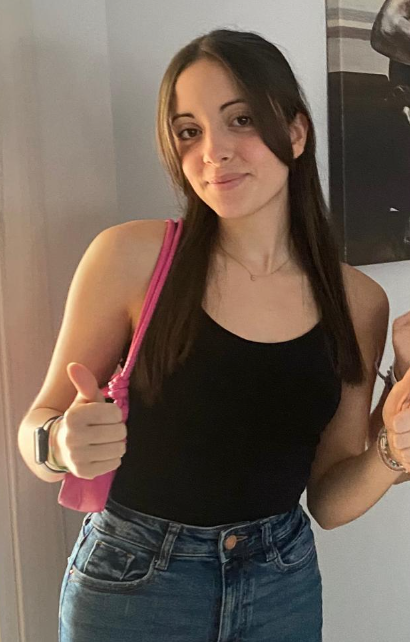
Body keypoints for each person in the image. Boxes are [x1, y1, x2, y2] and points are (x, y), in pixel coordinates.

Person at [17, 28, 410, 642]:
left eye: (241, 120)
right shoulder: (130, 257)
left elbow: (330, 501)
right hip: (134, 585)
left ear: (296, 132)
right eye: (189, 131)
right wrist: (60, 444)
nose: (213, 151)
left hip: (280, 585)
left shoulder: (358, 302)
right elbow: (36, 429)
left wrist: (392, 451)